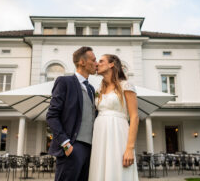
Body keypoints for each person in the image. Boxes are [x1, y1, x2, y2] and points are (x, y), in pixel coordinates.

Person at [46, 46, 98, 181]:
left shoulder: (92, 89)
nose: (96, 63)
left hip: (90, 149)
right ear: (82, 62)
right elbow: (52, 115)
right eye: (93, 60)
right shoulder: (65, 82)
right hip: (72, 147)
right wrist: (66, 144)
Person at [89, 54, 139, 181]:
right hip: (100, 134)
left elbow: (134, 117)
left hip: (118, 132)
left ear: (111, 64)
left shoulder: (126, 85)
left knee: (118, 169)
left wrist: (129, 148)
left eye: (101, 61)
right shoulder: (99, 89)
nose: (97, 64)